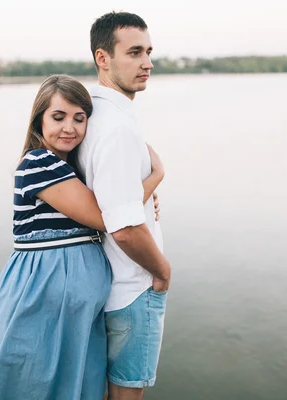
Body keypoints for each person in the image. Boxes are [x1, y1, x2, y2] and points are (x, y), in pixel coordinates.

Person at [0, 74, 165, 400]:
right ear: (39, 119)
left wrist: (137, 197)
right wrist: (155, 179)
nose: (70, 127)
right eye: (58, 116)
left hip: (77, 307)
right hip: (42, 297)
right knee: (34, 387)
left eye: (80, 119)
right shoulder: (39, 163)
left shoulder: (73, 169)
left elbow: (111, 204)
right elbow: (106, 217)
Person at [77, 12, 171, 400]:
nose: (147, 63)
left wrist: (147, 186)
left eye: (148, 52)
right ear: (103, 58)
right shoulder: (115, 127)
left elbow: (109, 198)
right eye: (134, 52)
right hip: (133, 287)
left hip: (107, 283)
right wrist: (162, 272)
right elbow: (125, 227)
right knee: (127, 395)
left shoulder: (93, 117)